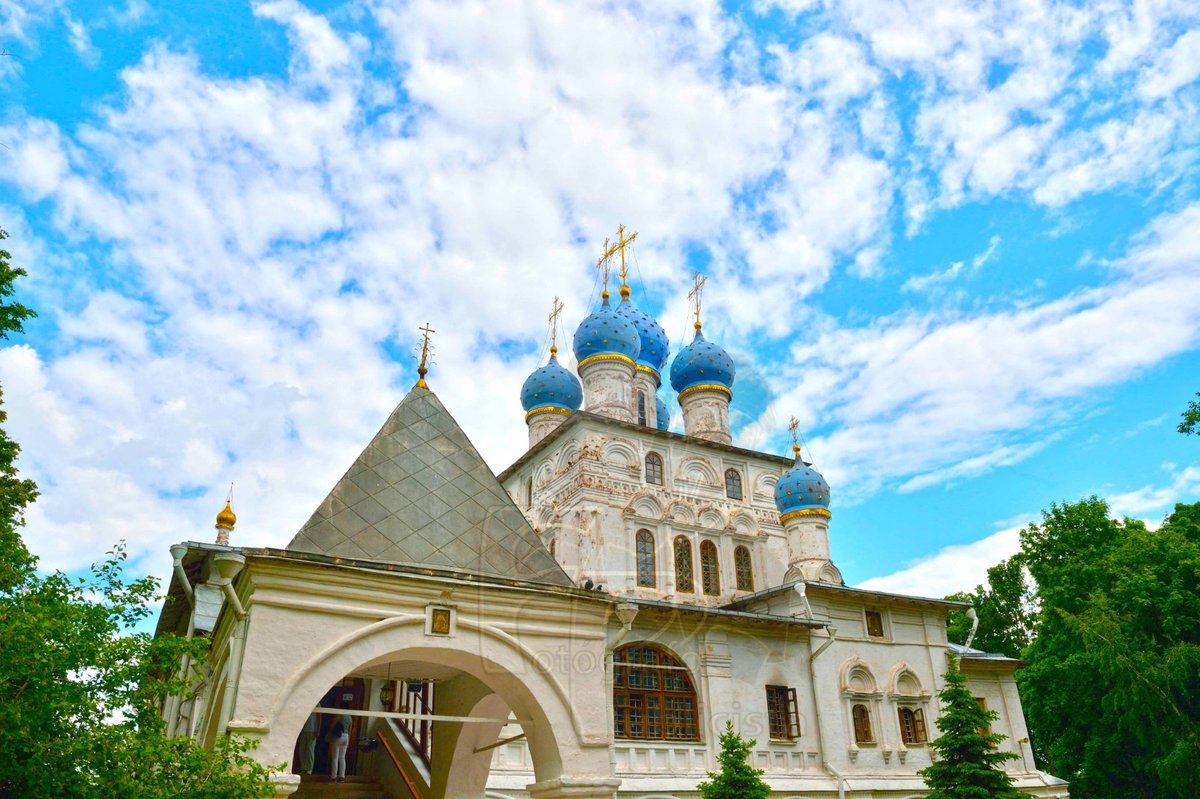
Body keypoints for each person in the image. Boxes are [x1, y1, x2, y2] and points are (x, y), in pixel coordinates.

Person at [327, 705, 352, 782]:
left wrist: (328, 734)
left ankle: (333, 776)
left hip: (338, 736)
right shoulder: (350, 717)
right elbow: (350, 729)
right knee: (342, 758)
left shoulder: (339, 714)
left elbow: (332, 725)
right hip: (346, 736)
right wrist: (348, 740)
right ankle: (342, 776)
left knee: (335, 757)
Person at [298, 709, 319, 774]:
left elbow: (319, 717)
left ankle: (309, 768)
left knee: (310, 749)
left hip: (312, 730)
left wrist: (318, 729)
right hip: (304, 730)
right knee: (302, 749)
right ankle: (303, 768)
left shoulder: (317, 705)